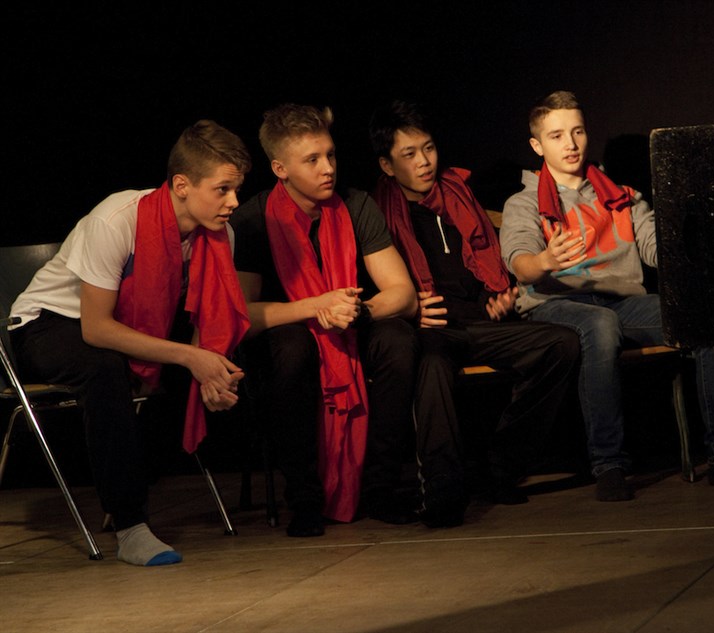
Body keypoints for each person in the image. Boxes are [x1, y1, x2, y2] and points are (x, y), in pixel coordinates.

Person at [9, 120, 252, 565]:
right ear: (182, 185)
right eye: (222, 189)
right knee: (105, 367)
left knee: (194, 371)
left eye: (237, 189)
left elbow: (205, 318)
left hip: (128, 329)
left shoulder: (220, 236)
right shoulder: (117, 220)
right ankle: (130, 525)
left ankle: (134, 489)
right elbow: (96, 329)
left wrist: (211, 373)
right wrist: (191, 357)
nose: (234, 202)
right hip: (48, 324)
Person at [499, 90, 714, 502]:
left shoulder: (621, 195)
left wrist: (693, 238)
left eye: (577, 131)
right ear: (537, 145)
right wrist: (545, 259)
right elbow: (521, 265)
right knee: (600, 325)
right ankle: (609, 464)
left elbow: (657, 249)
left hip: (623, 302)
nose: (571, 144)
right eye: (557, 135)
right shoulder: (523, 202)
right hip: (556, 305)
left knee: (707, 316)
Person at [369, 99, 581, 528]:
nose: (424, 162)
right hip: (431, 327)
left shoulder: (457, 194)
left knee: (562, 344)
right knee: (430, 364)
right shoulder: (378, 213)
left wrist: (496, 296)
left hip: (480, 322)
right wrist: (410, 309)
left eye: (428, 148)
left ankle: (500, 466)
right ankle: (444, 492)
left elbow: (486, 264)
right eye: (409, 154)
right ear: (387, 165)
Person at [230, 103, 419, 537]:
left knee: (396, 339)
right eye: (312, 160)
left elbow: (403, 294)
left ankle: (381, 489)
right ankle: (305, 498)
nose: (328, 168)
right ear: (280, 169)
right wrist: (317, 306)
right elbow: (242, 316)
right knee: (292, 346)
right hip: (288, 334)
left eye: (330, 155)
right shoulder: (253, 218)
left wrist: (357, 311)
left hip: (349, 326)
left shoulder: (355, 204)